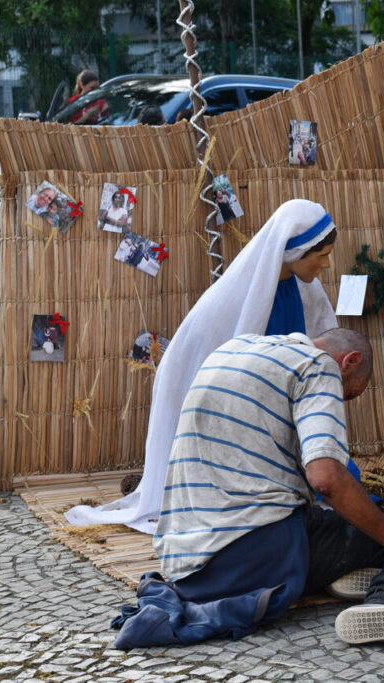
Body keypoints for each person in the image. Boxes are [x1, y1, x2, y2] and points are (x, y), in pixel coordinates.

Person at [111, 329, 384, 653]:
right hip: (260, 558)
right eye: (348, 393)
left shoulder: (233, 348)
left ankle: (346, 577)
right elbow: (325, 478)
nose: (341, 403)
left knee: (331, 522)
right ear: (350, 361)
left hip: (188, 564)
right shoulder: (318, 366)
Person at [65, 200, 346, 533]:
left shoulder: (306, 290)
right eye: (321, 255)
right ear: (293, 252)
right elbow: (205, 366)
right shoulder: (236, 296)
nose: (326, 265)